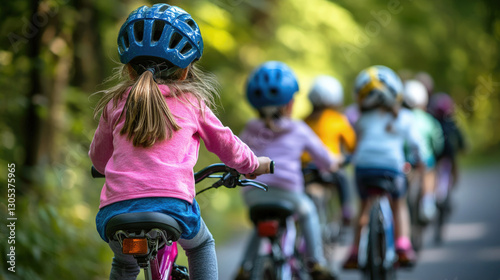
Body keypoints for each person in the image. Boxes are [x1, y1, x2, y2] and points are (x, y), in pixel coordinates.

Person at [88, 4, 271, 280]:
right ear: (185, 72)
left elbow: (99, 159)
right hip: (173, 207)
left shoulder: (115, 103)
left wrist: (105, 167)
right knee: (201, 246)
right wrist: (253, 164)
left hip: (117, 213)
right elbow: (228, 145)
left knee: (124, 264)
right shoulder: (191, 103)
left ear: (128, 69)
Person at [235, 61, 338, 280]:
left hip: (253, 194)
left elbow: (236, 156)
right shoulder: (299, 129)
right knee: (308, 212)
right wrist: (335, 163)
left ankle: (244, 268)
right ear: (289, 104)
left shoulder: (250, 128)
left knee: (261, 222)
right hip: (288, 193)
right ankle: (317, 263)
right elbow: (326, 160)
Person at [342, 65, 424, 269]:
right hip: (392, 169)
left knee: (363, 206)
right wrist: (419, 162)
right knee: (399, 204)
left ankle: (354, 251)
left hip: (363, 169)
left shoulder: (360, 119)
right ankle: (403, 246)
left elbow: (354, 144)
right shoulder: (404, 117)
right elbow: (417, 146)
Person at [303, 75, 356, 224]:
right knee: (343, 180)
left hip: (307, 168)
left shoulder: (304, 120)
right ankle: (346, 210)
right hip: (330, 166)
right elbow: (352, 145)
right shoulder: (338, 119)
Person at [402, 79, 444, 223]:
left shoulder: (402, 117)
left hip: (405, 160)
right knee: (430, 172)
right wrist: (437, 152)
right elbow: (437, 141)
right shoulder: (429, 120)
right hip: (425, 159)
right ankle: (428, 203)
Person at [428, 92, 466, 195]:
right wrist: (463, 147)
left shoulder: (433, 122)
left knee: (434, 171)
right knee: (454, 168)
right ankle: (452, 185)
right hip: (449, 153)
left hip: (437, 153)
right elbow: (460, 137)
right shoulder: (451, 122)